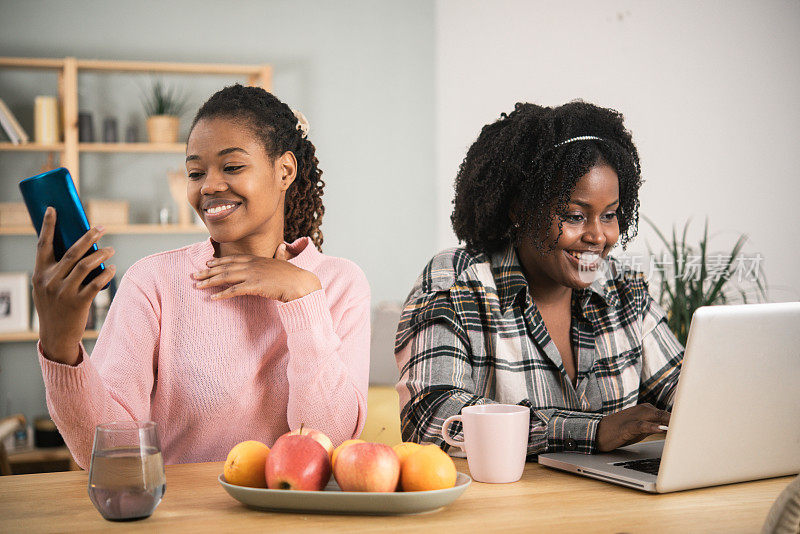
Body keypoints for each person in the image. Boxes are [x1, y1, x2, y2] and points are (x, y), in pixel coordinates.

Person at [33, 84, 371, 468]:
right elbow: (113, 455)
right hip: (182, 520)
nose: (208, 186)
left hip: (296, 520)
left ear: (285, 171)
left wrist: (302, 295)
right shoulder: (154, 282)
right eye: (195, 172)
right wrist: (61, 348)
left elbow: (330, 441)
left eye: (232, 167)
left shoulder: (340, 283)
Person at [395, 101, 683, 456]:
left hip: (616, 506)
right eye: (575, 216)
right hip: (508, 508)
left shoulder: (624, 291)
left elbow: (689, 391)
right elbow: (431, 417)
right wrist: (592, 431)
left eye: (609, 215)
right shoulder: (456, 282)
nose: (598, 236)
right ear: (521, 210)